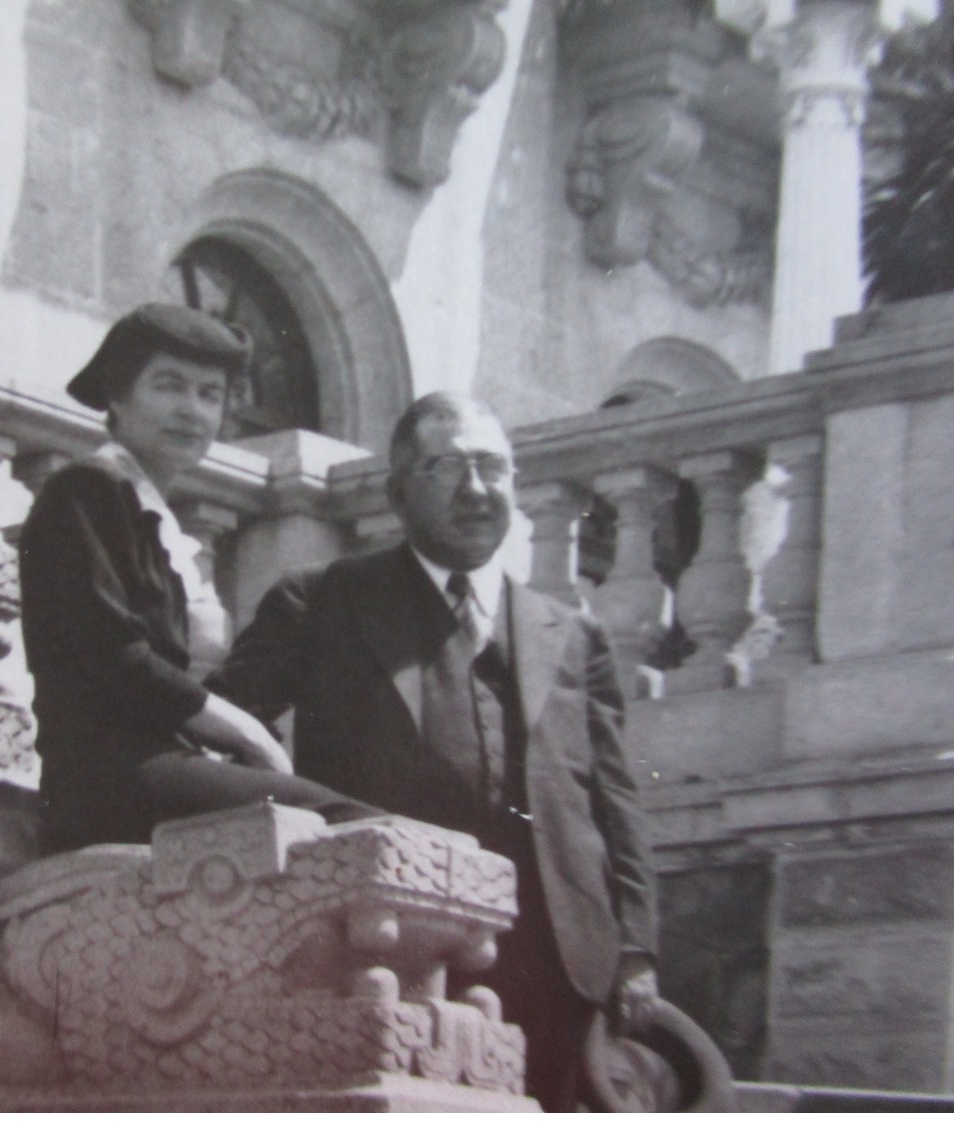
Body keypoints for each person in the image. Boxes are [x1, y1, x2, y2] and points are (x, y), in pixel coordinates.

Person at [207, 392, 660, 1110]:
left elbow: (615, 801)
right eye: (447, 466)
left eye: (493, 468)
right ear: (397, 491)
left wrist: (636, 947)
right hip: (389, 950)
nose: (475, 489)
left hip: (556, 962)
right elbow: (220, 734)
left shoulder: (573, 635)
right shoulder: (321, 601)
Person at [19, 303, 377, 852]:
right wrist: (246, 733)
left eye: (210, 394)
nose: (191, 410)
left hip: (163, 768)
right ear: (118, 395)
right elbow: (113, 658)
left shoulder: (149, 511)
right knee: (358, 828)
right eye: (169, 386)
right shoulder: (87, 491)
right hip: (107, 779)